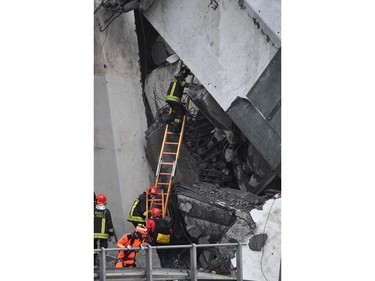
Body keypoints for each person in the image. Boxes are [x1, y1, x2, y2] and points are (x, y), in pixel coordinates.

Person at [164, 66, 191, 133]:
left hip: (169, 99)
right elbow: (182, 83)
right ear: (183, 72)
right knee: (181, 112)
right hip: (174, 99)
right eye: (186, 75)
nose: (186, 76)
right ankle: (175, 128)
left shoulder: (175, 78)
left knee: (176, 110)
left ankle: (169, 118)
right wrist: (191, 85)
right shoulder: (180, 77)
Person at [94, 193, 115, 265]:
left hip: (94, 234)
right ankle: (101, 263)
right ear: (105, 202)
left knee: (93, 248)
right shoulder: (106, 212)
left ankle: (93, 262)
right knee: (103, 248)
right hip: (104, 235)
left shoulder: (93, 211)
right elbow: (109, 224)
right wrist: (111, 234)